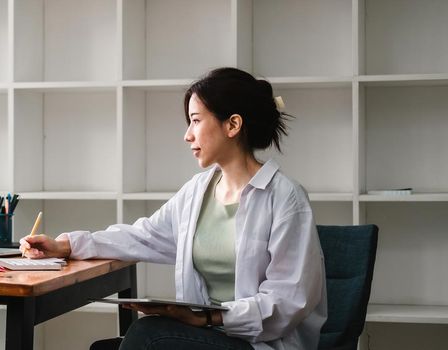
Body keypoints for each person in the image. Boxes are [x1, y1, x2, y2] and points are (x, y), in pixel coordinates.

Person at [19, 67, 327, 350]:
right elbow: (143, 237)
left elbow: (287, 302)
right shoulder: (198, 190)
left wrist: (208, 318)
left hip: (258, 342)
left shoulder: (286, 198)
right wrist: (65, 245)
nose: (187, 134)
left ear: (233, 124)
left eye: (195, 120)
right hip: (209, 334)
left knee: (146, 336)